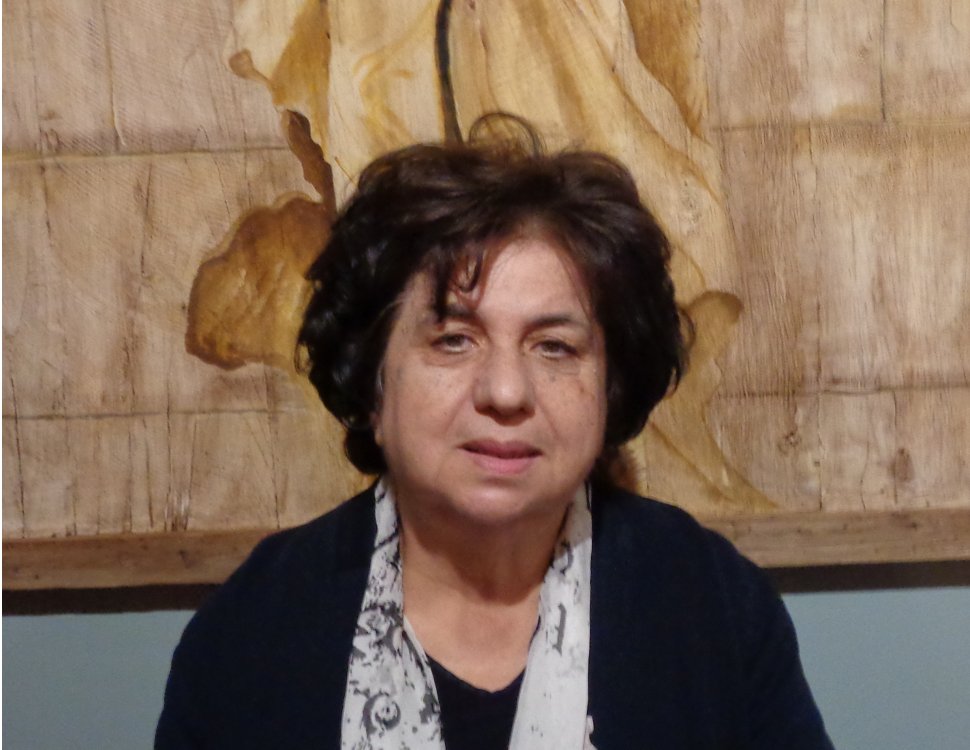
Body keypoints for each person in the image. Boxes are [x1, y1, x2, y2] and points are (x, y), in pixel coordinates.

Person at [156, 119, 833, 749]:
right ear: (370, 381)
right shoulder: (255, 630)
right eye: (454, 340)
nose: (506, 393)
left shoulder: (713, 608)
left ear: (610, 386)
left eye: (555, 347)